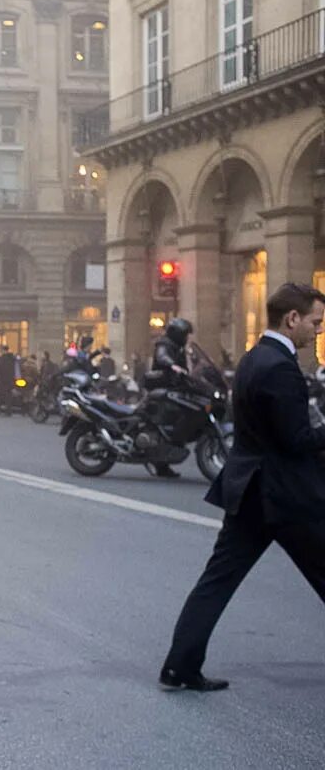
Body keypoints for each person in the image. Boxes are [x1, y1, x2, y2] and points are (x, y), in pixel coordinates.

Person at [159, 283, 325, 692]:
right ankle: (180, 667)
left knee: (216, 581)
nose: (318, 331)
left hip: (249, 491)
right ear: (293, 319)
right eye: (316, 322)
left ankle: (179, 666)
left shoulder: (254, 359)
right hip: (285, 497)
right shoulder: (281, 367)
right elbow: (295, 440)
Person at [146, 318, 195, 478]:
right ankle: (159, 459)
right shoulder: (164, 344)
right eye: (185, 334)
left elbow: (187, 367)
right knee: (163, 421)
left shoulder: (179, 347)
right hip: (162, 388)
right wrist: (172, 365)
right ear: (177, 334)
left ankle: (164, 462)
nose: (187, 338)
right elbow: (162, 357)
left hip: (173, 388)